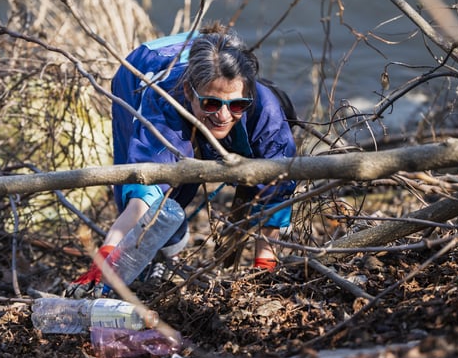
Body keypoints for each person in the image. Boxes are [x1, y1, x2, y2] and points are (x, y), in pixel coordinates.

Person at [67, 22, 297, 297]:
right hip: (140, 71)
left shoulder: (267, 114)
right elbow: (146, 192)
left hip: (205, 62)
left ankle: (161, 248)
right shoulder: (164, 104)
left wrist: (265, 265)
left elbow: (277, 193)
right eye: (212, 103)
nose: (224, 116)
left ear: (248, 95)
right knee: (165, 194)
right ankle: (168, 250)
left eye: (236, 105)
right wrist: (106, 255)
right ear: (189, 92)